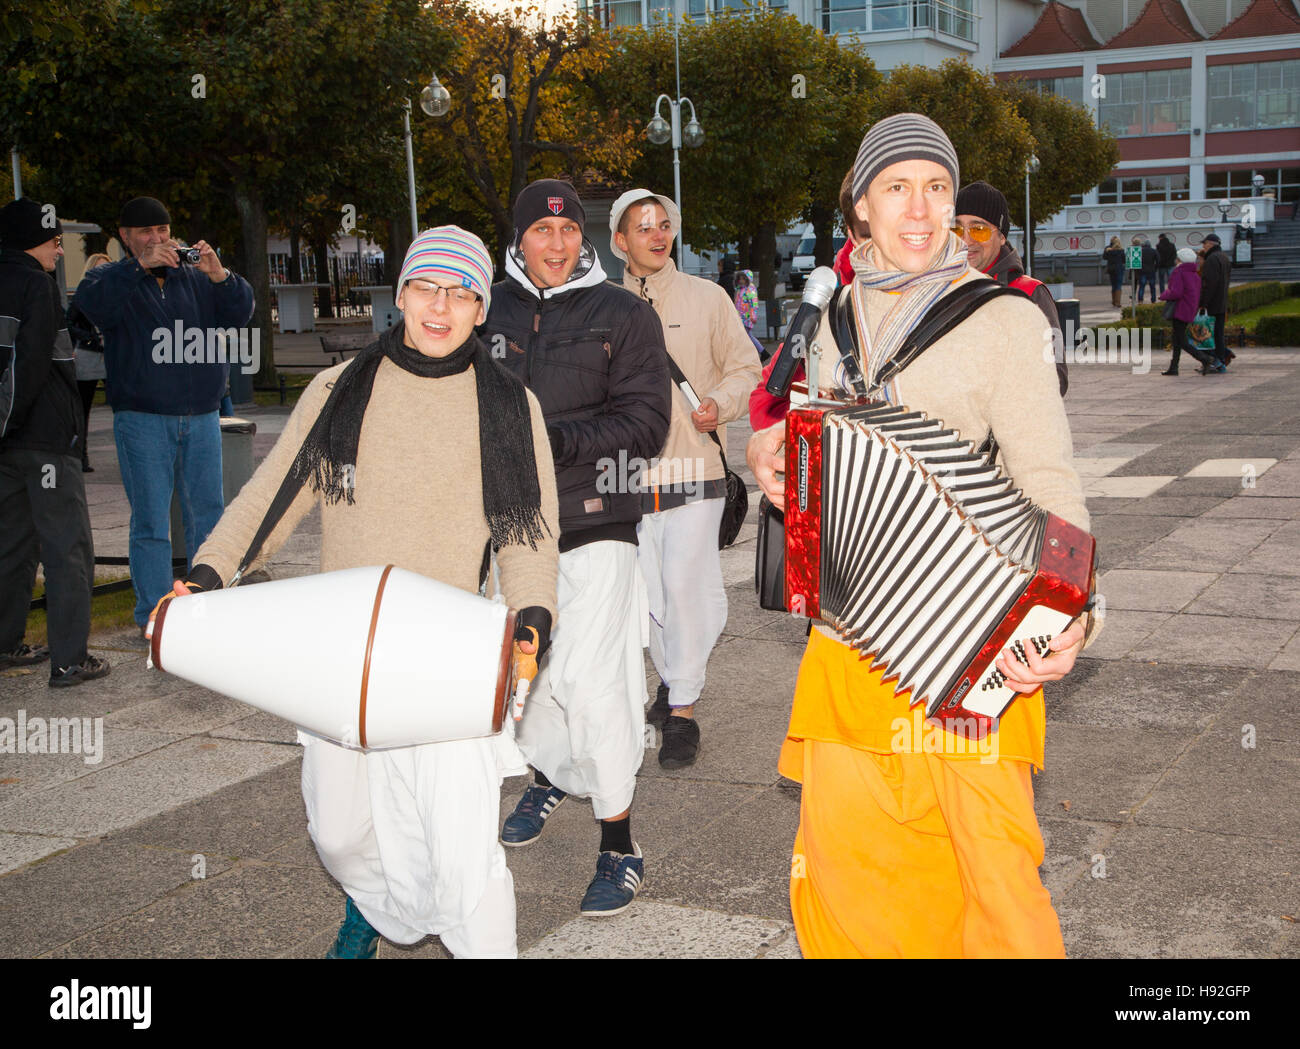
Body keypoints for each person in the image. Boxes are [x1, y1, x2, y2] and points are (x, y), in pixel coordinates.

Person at [150, 227, 559, 958]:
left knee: (466, 860)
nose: (443, 307)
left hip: (452, 655)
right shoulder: (337, 391)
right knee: (338, 833)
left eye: (463, 293)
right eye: (427, 288)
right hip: (343, 653)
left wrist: (532, 617)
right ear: (401, 293)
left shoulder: (509, 405)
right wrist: (207, 576)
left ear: (480, 310)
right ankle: (377, 904)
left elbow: (527, 535)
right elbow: (267, 501)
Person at [745, 113, 1098, 958]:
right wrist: (772, 456)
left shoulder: (1005, 320)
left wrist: (1077, 614)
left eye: (936, 188)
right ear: (859, 207)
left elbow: (1050, 482)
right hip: (849, 646)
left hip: (977, 653)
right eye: (896, 188)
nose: (920, 208)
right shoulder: (823, 325)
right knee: (851, 888)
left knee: (997, 891)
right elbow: (809, 464)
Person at [481, 179, 671, 915]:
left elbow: (646, 424)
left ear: (582, 236)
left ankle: (620, 842)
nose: (556, 245)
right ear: (519, 237)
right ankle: (552, 774)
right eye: (540, 232)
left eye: (566, 232)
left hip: (594, 522)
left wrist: (550, 441)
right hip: (505, 529)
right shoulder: (482, 307)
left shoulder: (623, 313)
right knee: (521, 679)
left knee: (594, 683)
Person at [610, 189, 761, 769]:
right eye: (642, 226)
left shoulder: (707, 297)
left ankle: (683, 712)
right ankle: (672, 681)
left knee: (683, 588)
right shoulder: (599, 303)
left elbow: (747, 366)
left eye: (664, 224)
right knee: (644, 594)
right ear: (620, 240)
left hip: (695, 467)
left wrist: (719, 404)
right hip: (622, 477)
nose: (657, 234)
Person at [74, 197, 254, 641]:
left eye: (163, 230)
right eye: (145, 233)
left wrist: (220, 275)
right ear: (125, 237)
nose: (157, 240)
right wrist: (136, 268)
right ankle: (154, 614)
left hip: (201, 415)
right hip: (142, 416)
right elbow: (92, 306)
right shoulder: (109, 277)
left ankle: (208, 603)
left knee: (209, 515)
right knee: (151, 521)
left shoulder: (192, 277)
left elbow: (241, 312)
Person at [0, 198, 108, 686]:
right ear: (29, 241)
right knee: (68, 549)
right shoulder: (35, 285)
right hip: (42, 439)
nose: (58, 251)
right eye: (51, 241)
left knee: (12, 547)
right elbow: (33, 365)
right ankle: (69, 660)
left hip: (8, 445)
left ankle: (5, 644)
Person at [954, 181, 1068, 396]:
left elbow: (1056, 379)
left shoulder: (1030, 294)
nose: (966, 240)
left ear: (1002, 235)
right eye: (957, 228)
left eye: (979, 229)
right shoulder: (938, 292)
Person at [66, 252, 112, 472]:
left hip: (112, 355)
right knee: (83, 409)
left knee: (124, 406)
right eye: (98, 268)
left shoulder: (118, 293)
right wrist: (89, 337)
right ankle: (81, 456)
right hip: (88, 354)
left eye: (107, 267)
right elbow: (69, 324)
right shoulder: (82, 296)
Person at [1160, 247, 1220, 376]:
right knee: (1177, 339)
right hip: (1189, 310)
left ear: (1180, 260)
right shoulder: (1194, 273)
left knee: (1181, 341)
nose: (1176, 261)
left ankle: (1205, 358)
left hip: (1179, 309)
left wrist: (1164, 295)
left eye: (1177, 258)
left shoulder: (1179, 272)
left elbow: (1176, 292)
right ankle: (1173, 367)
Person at [1198, 232, 1233, 369]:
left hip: (1212, 303)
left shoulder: (1211, 259)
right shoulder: (1224, 257)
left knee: (1210, 334)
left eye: (1204, 244)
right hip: (1221, 301)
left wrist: (1203, 303)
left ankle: (1216, 361)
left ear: (1210, 244)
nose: (1203, 246)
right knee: (1218, 333)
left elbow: (1209, 284)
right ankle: (1221, 359)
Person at [1103, 236, 1125, 309]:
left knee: (1113, 285)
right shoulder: (1121, 250)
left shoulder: (1108, 249)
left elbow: (1104, 257)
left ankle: (1113, 301)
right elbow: (1124, 260)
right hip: (1119, 269)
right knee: (1118, 285)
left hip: (1111, 269)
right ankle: (1117, 302)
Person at [1136, 236, 1158, 303]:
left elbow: (1137, 260)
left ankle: (1140, 300)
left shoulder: (1140, 251)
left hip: (1142, 271)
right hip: (1151, 270)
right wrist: (1155, 268)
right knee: (1152, 287)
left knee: (1142, 286)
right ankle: (1153, 300)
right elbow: (1158, 260)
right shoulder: (1154, 251)